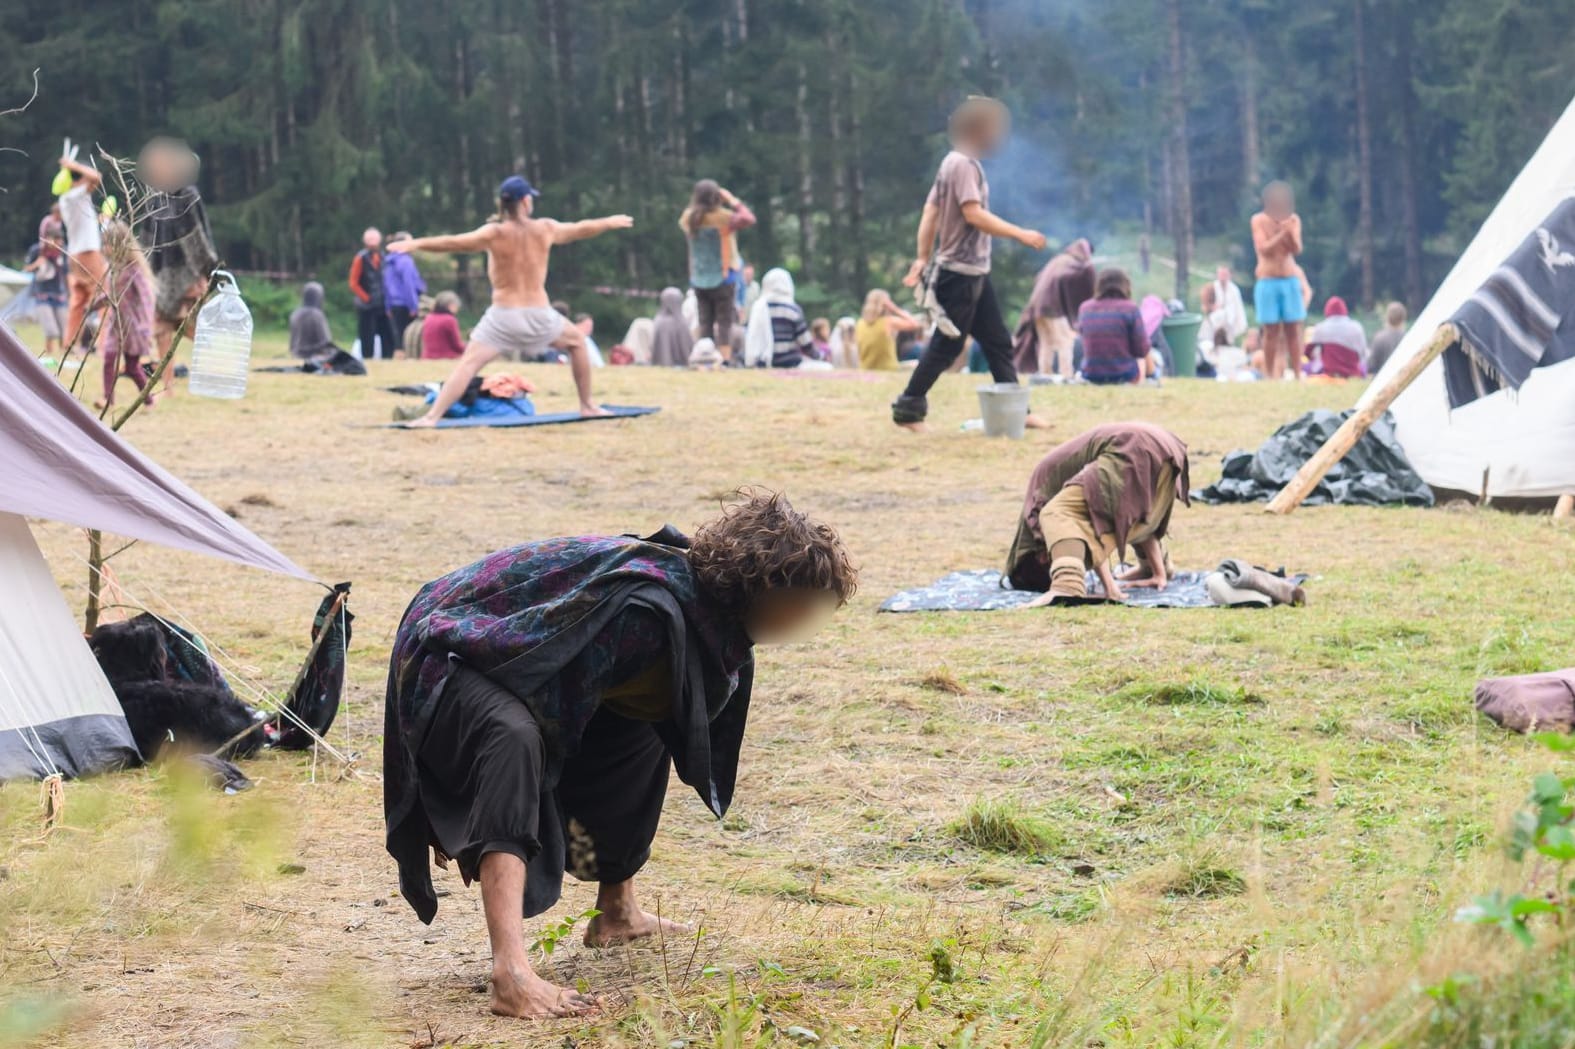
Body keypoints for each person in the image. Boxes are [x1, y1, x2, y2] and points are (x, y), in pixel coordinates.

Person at [383, 490, 856, 1019]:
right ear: (766, 591)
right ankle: (510, 973)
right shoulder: (647, 612)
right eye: (806, 603)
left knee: (649, 717)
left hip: (508, 647)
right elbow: (540, 697)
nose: (807, 619)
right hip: (450, 641)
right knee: (514, 740)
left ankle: (617, 912)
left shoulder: (697, 615)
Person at [393, 176, 632, 425]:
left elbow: (454, 242)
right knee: (578, 343)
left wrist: (416, 244)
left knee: (468, 365)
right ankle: (588, 406)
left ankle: (432, 417)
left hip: (503, 315)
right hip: (539, 314)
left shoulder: (494, 233)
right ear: (526, 201)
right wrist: (609, 222)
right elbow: (581, 228)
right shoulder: (544, 228)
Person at [893, 97, 1047, 430]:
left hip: (974, 272)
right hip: (960, 273)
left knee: (996, 340)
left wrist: (922, 257)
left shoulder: (951, 163)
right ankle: (908, 409)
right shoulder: (963, 165)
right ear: (979, 130)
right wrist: (1020, 234)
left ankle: (1017, 409)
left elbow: (931, 212)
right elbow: (972, 213)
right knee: (947, 343)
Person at [1005, 422, 1190, 604]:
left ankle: (1066, 587)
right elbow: (1136, 513)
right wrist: (1156, 572)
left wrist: (1110, 588)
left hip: (1129, 447)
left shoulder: (1035, 509)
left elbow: (1089, 527)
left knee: (1056, 513)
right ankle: (1156, 572)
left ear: (1042, 558)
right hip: (1166, 445)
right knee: (1133, 512)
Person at [136, 137, 219, 391]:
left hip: (188, 275)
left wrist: (209, 269)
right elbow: (147, 241)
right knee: (161, 329)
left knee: (190, 326)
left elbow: (196, 236)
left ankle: (217, 364)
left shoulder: (188, 195)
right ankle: (167, 384)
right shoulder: (154, 199)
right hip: (161, 276)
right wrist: (143, 273)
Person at [680, 181, 756, 348]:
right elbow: (749, 218)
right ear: (717, 197)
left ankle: (705, 353)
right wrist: (732, 200)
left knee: (704, 321)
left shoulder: (689, 218)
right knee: (724, 322)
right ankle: (725, 358)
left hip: (699, 277)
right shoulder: (724, 217)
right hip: (724, 276)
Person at [93, 222, 156, 413]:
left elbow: (146, 297)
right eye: (104, 244)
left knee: (132, 367)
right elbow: (113, 294)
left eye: (108, 244)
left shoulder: (134, 269)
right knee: (109, 359)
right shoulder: (114, 269)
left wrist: (146, 325)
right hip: (116, 324)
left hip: (134, 327)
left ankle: (149, 401)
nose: (105, 249)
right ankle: (108, 400)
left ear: (121, 244)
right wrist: (96, 304)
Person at [1013, 238, 1096, 377]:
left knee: (1046, 343)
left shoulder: (1058, 260)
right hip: (1053, 307)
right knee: (1065, 341)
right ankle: (1066, 375)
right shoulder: (1072, 263)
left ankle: (1045, 375)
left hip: (1036, 308)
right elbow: (1086, 277)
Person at [1251, 182, 1306, 380]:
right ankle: (1270, 373)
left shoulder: (1293, 220)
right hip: (1267, 280)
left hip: (1289, 279)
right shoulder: (1258, 220)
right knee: (1271, 330)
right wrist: (1281, 233)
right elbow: (1263, 248)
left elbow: (1297, 249)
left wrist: (1289, 232)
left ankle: (1298, 373)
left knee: (1294, 328)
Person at [57, 154, 106, 352]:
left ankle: (69, 345)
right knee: (104, 299)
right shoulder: (76, 194)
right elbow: (96, 177)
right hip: (87, 253)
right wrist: (73, 165)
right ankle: (104, 345)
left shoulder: (65, 198)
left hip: (74, 255)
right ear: (79, 179)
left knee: (77, 302)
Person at [1076, 268, 1152, 385]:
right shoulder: (1130, 308)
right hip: (1124, 375)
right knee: (1150, 357)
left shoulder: (1084, 308)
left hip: (1091, 374)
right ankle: (1151, 378)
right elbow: (1141, 350)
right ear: (1125, 285)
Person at [743, 268, 825, 370]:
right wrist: (820, 356)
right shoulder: (793, 310)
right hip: (790, 362)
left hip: (762, 362)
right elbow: (805, 343)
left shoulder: (758, 307)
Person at [349, 227, 398, 360]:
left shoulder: (383, 257)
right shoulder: (360, 258)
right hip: (367, 305)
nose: (372, 243)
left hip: (382, 303)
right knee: (367, 336)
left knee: (387, 334)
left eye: (374, 239)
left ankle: (387, 358)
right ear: (365, 241)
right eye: (370, 240)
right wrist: (366, 298)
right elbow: (353, 283)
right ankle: (368, 359)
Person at [24, 215, 68, 358]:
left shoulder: (63, 252)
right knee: (51, 330)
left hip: (59, 293)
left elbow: (67, 273)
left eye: (58, 239)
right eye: (52, 239)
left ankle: (62, 356)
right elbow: (26, 269)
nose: (55, 242)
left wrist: (70, 291)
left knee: (64, 328)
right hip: (42, 294)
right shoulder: (36, 250)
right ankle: (49, 354)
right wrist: (37, 263)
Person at [854, 290, 921, 372]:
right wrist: (894, 308)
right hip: (888, 369)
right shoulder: (888, 322)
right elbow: (915, 324)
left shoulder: (859, 323)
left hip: (865, 370)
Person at [1304, 296, 1368, 378]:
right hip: (1353, 372)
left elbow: (1307, 351)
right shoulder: (1356, 327)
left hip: (1330, 372)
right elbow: (1363, 353)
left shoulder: (1321, 328)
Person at [383, 232, 427, 345]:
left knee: (398, 338)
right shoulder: (406, 261)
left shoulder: (388, 261)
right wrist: (413, 306)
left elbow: (386, 285)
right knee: (408, 340)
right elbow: (409, 286)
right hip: (406, 305)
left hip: (394, 305)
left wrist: (387, 306)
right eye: (410, 241)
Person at [288, 281, 337, 363]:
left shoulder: (295, 314)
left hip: (296, 354)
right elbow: (326, 342)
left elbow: (291, 344)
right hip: (315, 356)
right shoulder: (317, 315)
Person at [1204, 265, 1248, 346]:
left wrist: (1242, 324)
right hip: (1215, 322)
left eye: (1225, 274)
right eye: (1221, 274)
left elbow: (1238, 308)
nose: (1223, 277)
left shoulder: (1234, 290)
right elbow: (1206, 305)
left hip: (1229, 322)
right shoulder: (1211, 288)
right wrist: (1212, 307)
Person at [649, 287, 693, 367]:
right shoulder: (682, 322)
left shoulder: (658, 320)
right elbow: (688, 347)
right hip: (680, 363)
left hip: (658, 363)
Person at [420, 292, 466, 360]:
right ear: (451, 305)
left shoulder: (428, 317)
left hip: (427, 356)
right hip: (446, 356)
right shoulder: (449, 320)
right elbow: (457, 346)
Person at [1367, 301, 1407, 375]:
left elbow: (1371, 365)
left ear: (1387, 317)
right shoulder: (1408, 338)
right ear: (1403, 318)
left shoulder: (1379, 338)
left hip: (1382, 381)